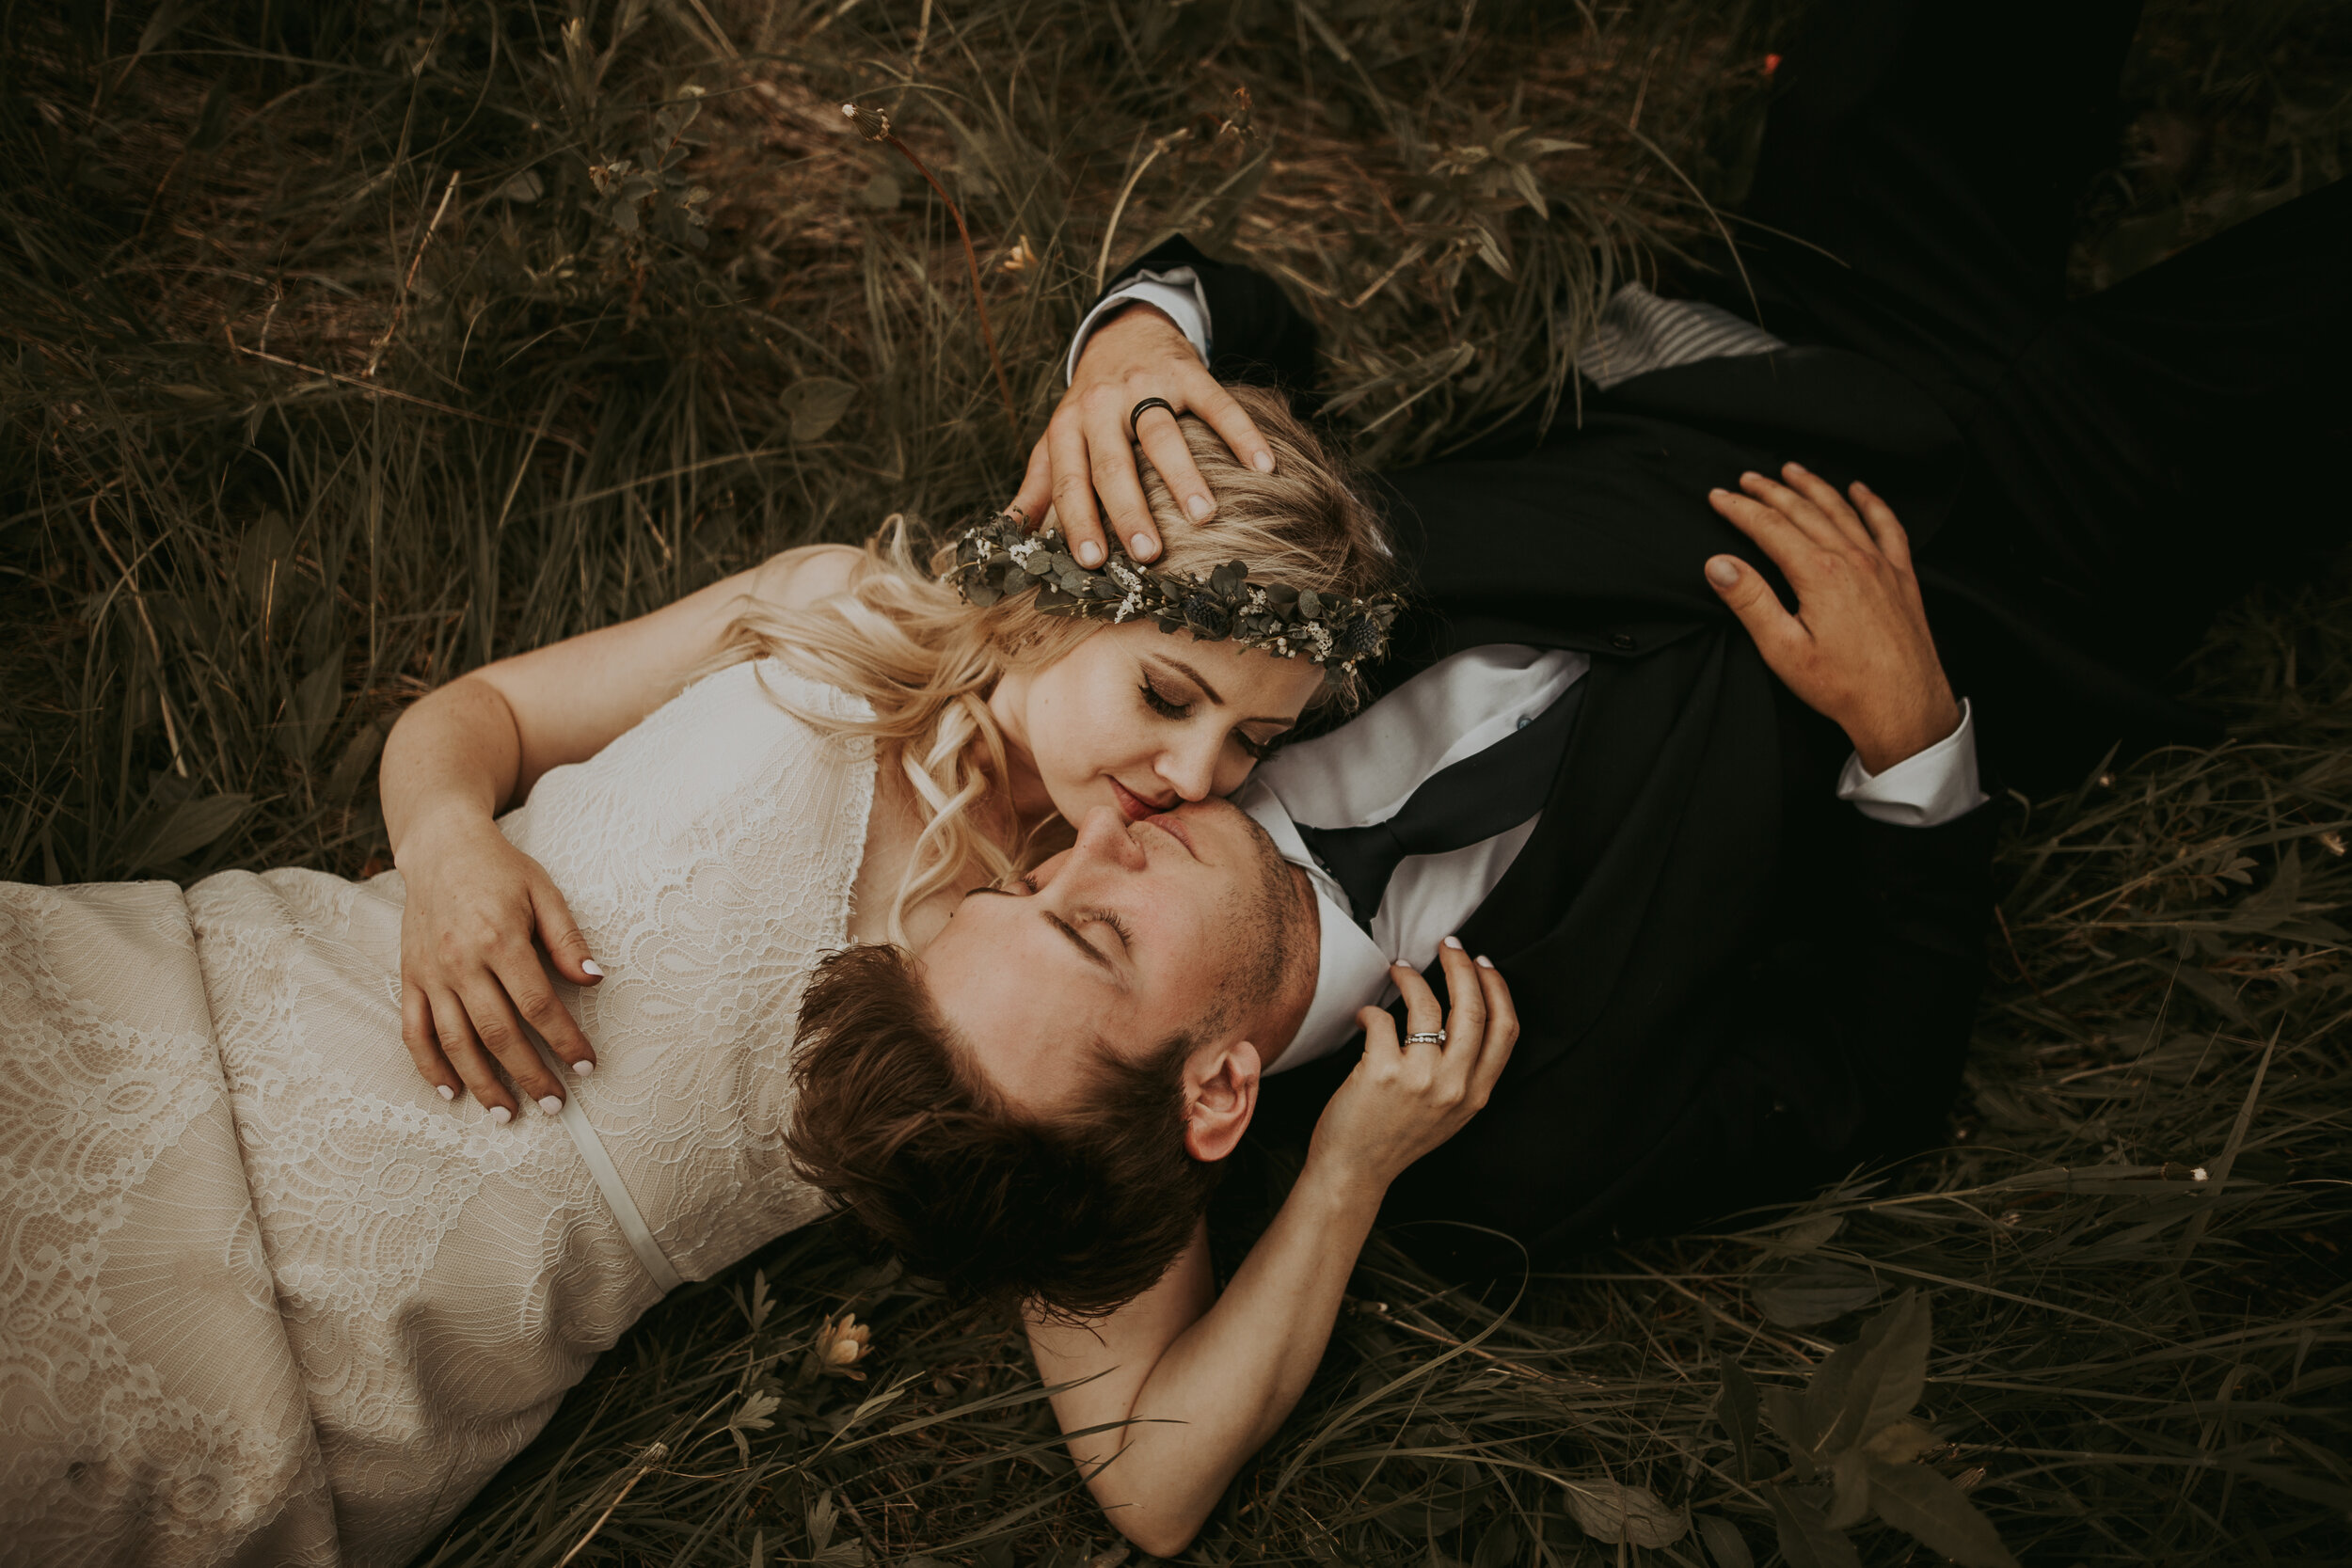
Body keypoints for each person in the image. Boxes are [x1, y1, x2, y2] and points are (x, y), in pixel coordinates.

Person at [932, 0, 2345, 1551]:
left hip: (1786, 321)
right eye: (1088, 929)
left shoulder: (1196, 683)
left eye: (1027, 879)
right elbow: (1866, 1086)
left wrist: (1136, 340)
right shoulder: (1524, 1156)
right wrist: (1909, 735)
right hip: (2037, 552)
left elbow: (1252, 349)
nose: (1086, 844)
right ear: (1216, 1093)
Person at [0, 388, 1448, 1566]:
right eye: (1169, 696)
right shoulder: (835, 615)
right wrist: (445, 846)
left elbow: (1153, 1479)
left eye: (1252, 743)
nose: (1194, 781)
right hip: (186, 1016)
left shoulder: (1069, 992)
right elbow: (485, 714)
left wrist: (1345, 1176)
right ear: (1060, 602)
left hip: (347, 1347)